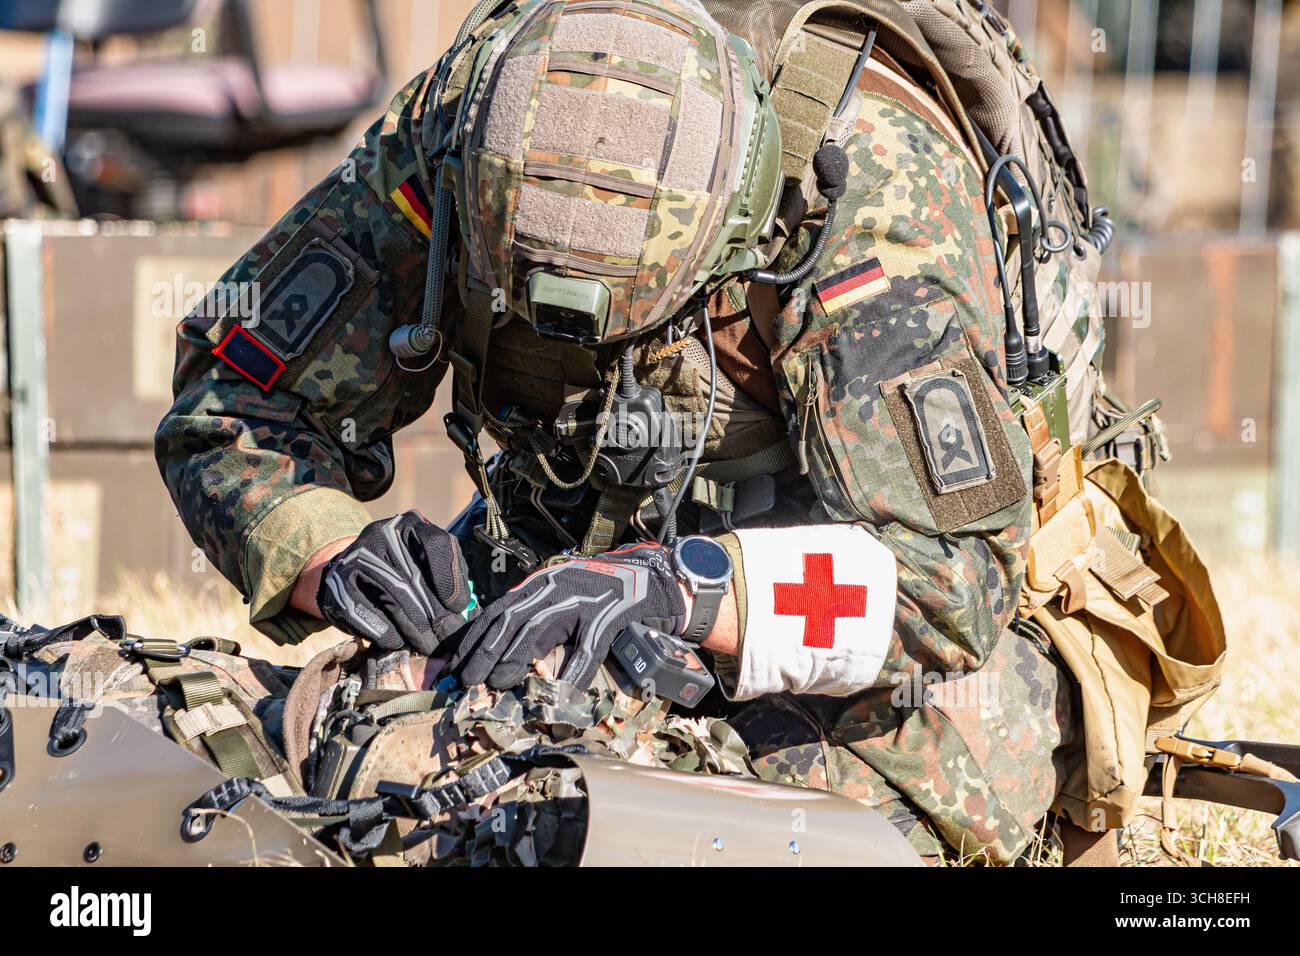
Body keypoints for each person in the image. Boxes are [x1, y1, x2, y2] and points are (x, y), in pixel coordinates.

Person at [156, 0, 1074, 862]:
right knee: (384, 753)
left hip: (907, 636)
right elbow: (233, 402)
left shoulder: (869, 198)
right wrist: (332, 554)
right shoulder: (461, 129)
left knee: (747, 829)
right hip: (568, 549)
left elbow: (949, 584)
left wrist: (685, 589)